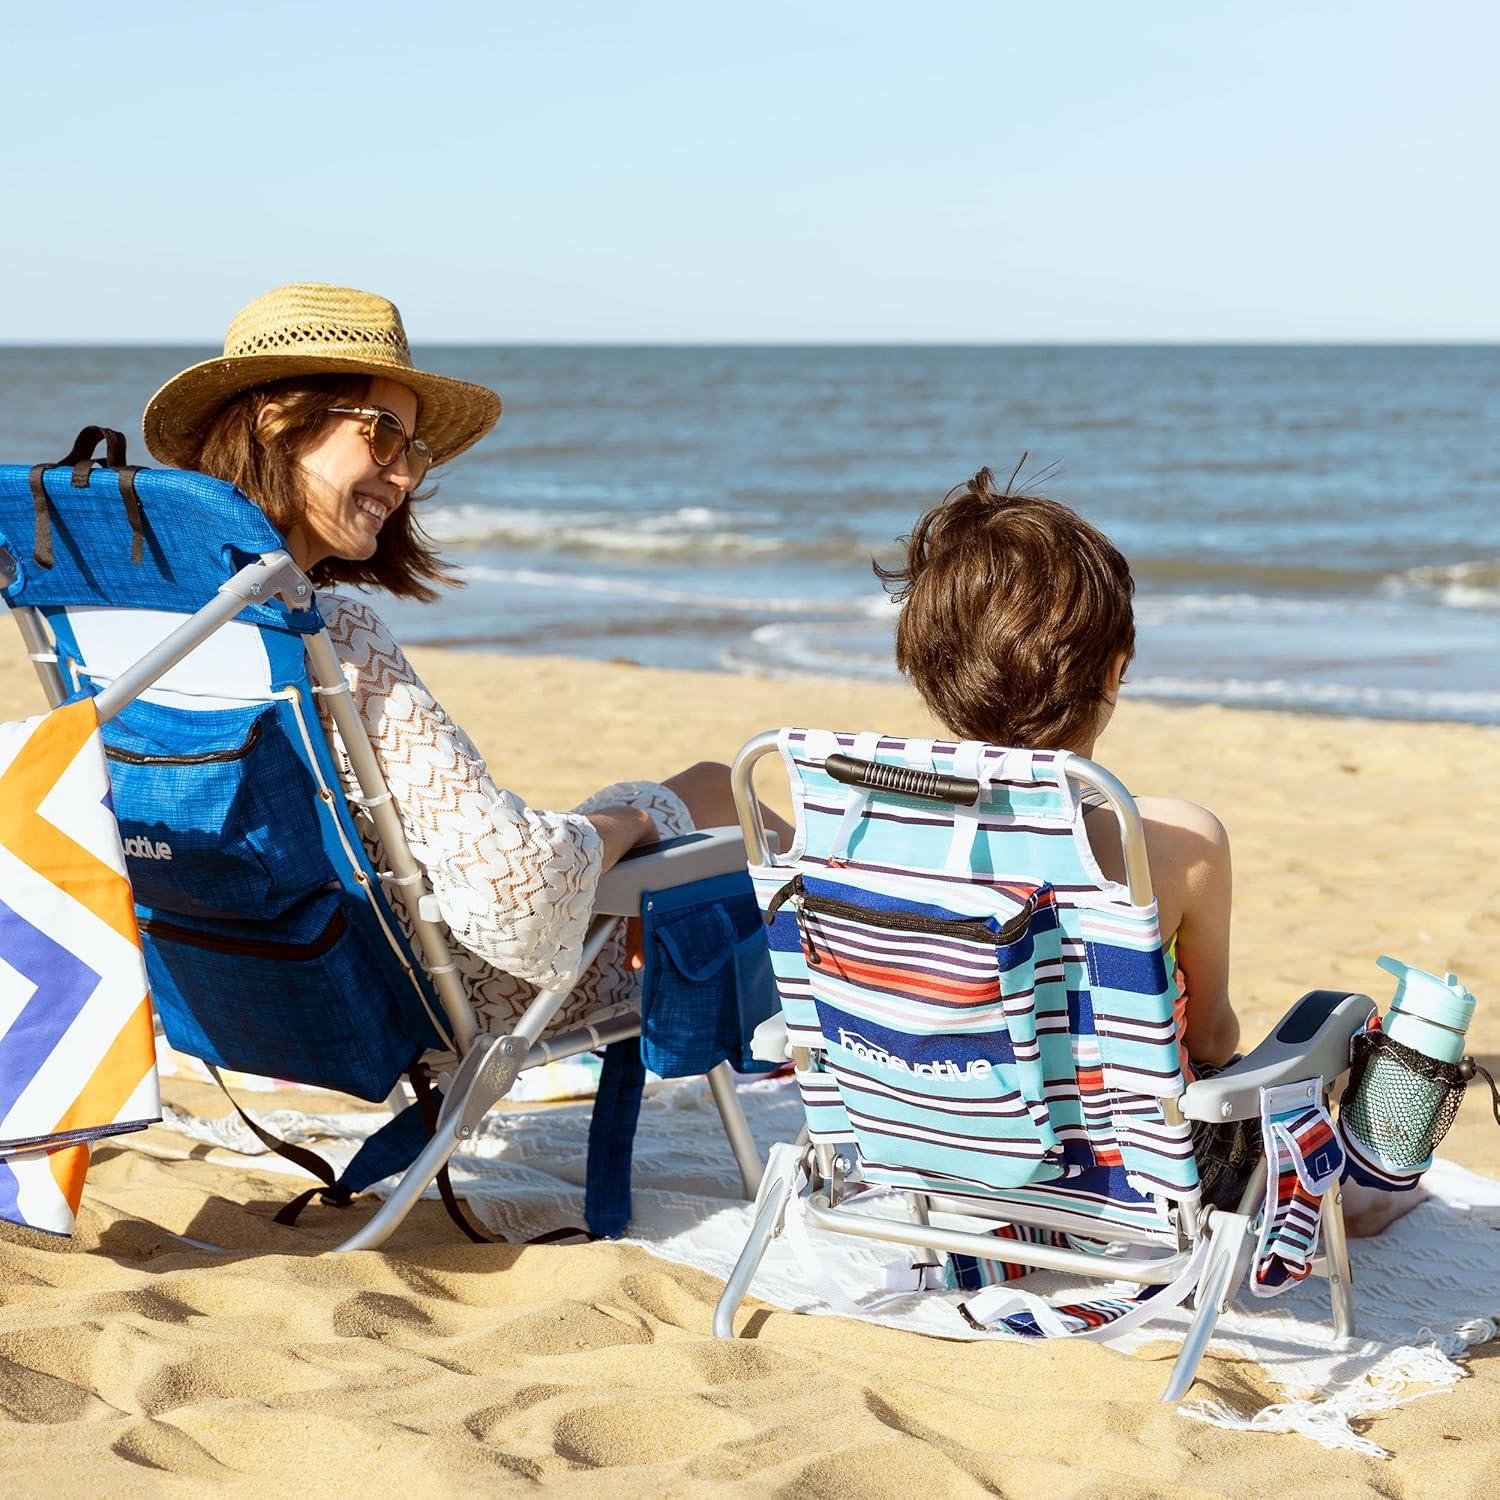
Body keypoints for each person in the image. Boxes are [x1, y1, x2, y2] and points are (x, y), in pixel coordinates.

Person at [141, 282, 773, 1051]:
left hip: (244, 982)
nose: (404, 476)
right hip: (447, 994)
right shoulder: (325, 633)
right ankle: (881, 1016)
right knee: (713, 790)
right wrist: (637, 821)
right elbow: (517, 882)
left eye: (413, 449)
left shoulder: (151, 628)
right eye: (381, 435)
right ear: (277, 419)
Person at [876, 466, 1414, 1232]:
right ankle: (1373, 1200)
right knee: (1320, 1099)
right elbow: (1213, 1039)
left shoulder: (874, 825)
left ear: (930, 672)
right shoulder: (1170, 841)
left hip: (937, 1149)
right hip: (1133, 1182)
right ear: (1115, 667)